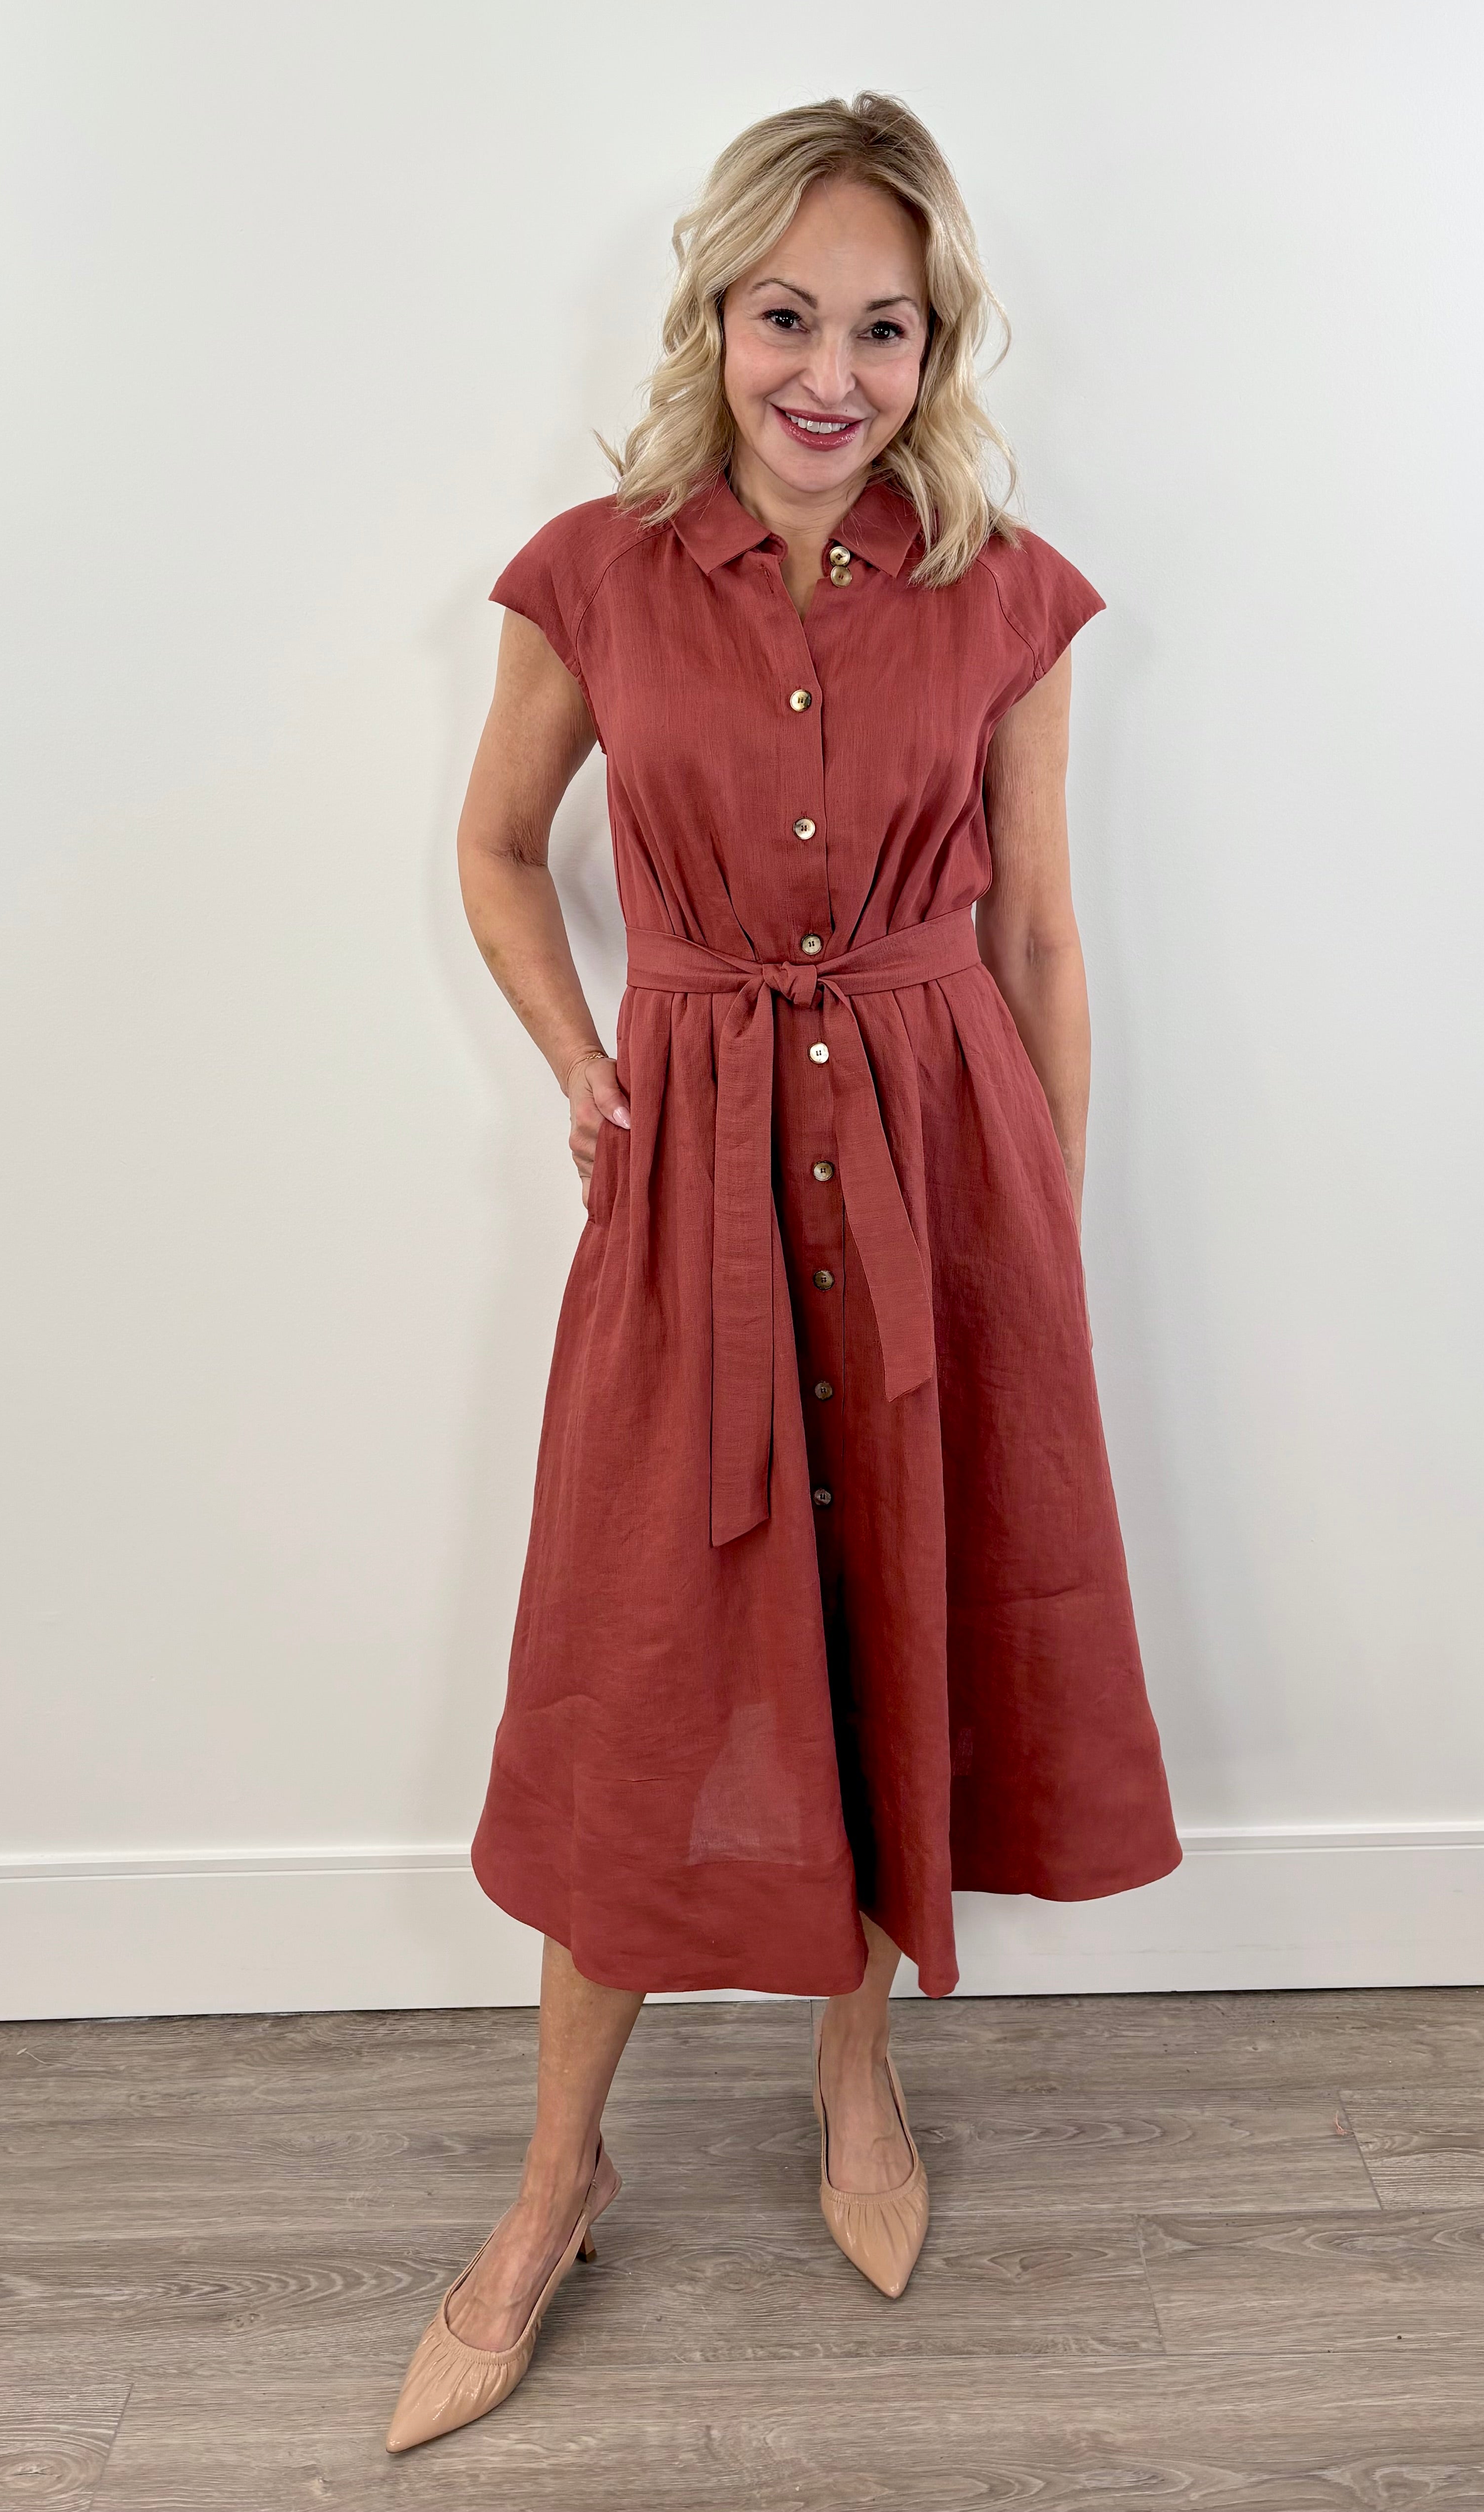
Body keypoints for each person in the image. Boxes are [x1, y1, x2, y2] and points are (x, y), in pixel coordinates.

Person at [386, 89, 1181, 2453]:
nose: (828, 369)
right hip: (701, 1161)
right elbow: (498, 851)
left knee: (891, 1623)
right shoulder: (596, 573)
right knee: (648, 1662)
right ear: (715, 318)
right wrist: (583, 1074)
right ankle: (553, 2183)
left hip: (943, 1168)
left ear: (937, 347)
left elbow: (1038, 925)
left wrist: (1036, 1217)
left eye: (882, 324)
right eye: (786, 316)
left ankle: (859, 2079)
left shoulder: (1012, 593)